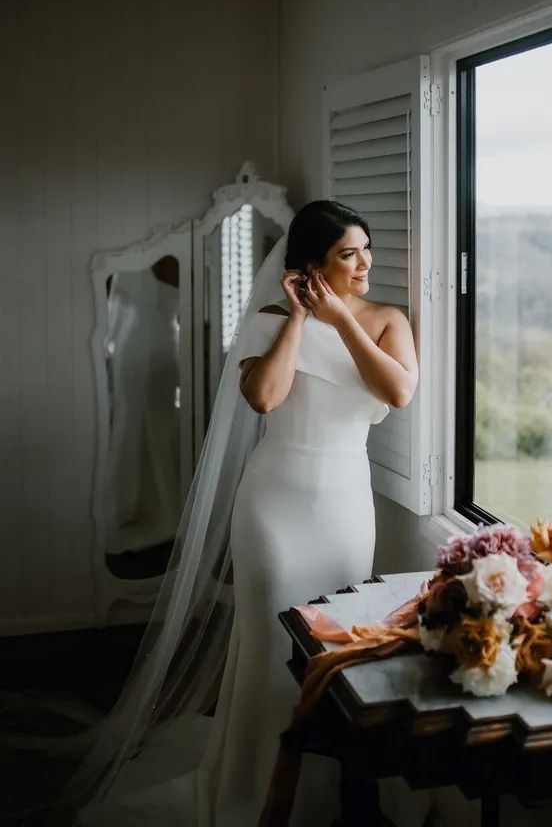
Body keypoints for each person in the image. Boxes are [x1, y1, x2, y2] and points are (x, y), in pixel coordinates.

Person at [61, 200, 418, 827]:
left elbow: (397, 390)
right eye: (347, 254)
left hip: (344, 502)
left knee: (334, 644)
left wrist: (342, 318)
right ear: (310, 266)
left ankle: (320, 791)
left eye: (366, 248)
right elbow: (264, 397)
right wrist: (303, 321)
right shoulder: (269, 321)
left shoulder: (389, 320)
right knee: (269, 638)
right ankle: (252, 785)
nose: (364, 263)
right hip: (275, 503)